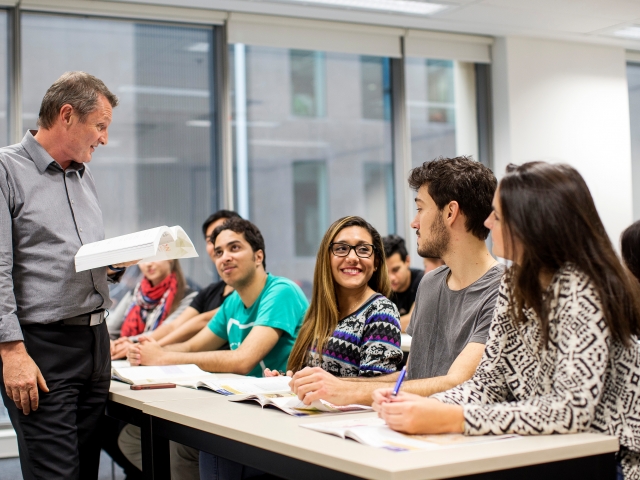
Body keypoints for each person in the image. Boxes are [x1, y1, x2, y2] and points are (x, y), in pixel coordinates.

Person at [373, 162, 640, 480]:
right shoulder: (514, 283)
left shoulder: (582, 288)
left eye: (497, 216)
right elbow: (487, 384)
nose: (486, 222)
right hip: (548, 452)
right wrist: (413, 403)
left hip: (611, 459)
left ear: (533, 225)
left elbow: (572, 410)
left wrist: (450, 418)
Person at [287, 156, 503, 408]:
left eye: (421, 209)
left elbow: (457, 383)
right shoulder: (430, 282)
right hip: (411, 423)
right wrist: (323, 382)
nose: (414, 222)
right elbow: (413, 378)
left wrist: (349, 392)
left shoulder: (501, 289)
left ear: (450, 212)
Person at [0, 72, 129, 480]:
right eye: (101, 126)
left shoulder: (83, 174)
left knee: (86, 471)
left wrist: (106, 265)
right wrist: (11, 352)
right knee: (56, 475)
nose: (104, 139)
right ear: (67, 115)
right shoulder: (6, 170)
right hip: (42, 348)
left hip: (95, 342)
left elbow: (62, 258)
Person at [212, 216, 403, 479]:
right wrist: (290, 382)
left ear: (376, 261)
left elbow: (376, 389)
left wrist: (324, 387)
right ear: (327, 258)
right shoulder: (322, 311)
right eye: (341, 248)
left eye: (363, 249)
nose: (352, 257)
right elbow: (315, 373)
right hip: (309, 424)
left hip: (344, 437)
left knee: (223, 454)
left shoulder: (380, 310)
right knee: (217, 448)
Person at [119, 218, 308, 477]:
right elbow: (191, 345)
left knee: (200, 450)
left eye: (234, 248)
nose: (224, 257)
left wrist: (162, 357)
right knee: (148, 441)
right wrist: (150, 350)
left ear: (258, 256)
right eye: (218, 252)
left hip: (283, 413)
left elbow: (243, 359)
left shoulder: (281, 290)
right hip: (246, 406)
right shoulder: (233, 302)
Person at [110, 210, 240, 359]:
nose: (149, 263)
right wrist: (142, 347)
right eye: (212, 240)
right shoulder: (135, 293)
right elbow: (177, 327)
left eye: (234, 246)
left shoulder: (189, 294)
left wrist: (143, 348)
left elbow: (190, 334)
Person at [107, 259, 197, 357]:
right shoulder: (136, 293)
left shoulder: (187, 297)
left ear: (170, 257)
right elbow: (111, 329)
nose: (148, 264)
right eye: (143, 259)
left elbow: (169, 330)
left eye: (155, 257)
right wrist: (110, 343)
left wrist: (130, 343)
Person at [382, 234, 424, 331]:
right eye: (385, 272)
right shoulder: (382, 286)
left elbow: (415, 321)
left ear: (407, 261)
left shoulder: (423, 281)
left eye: (396, 270)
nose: (390, 278)